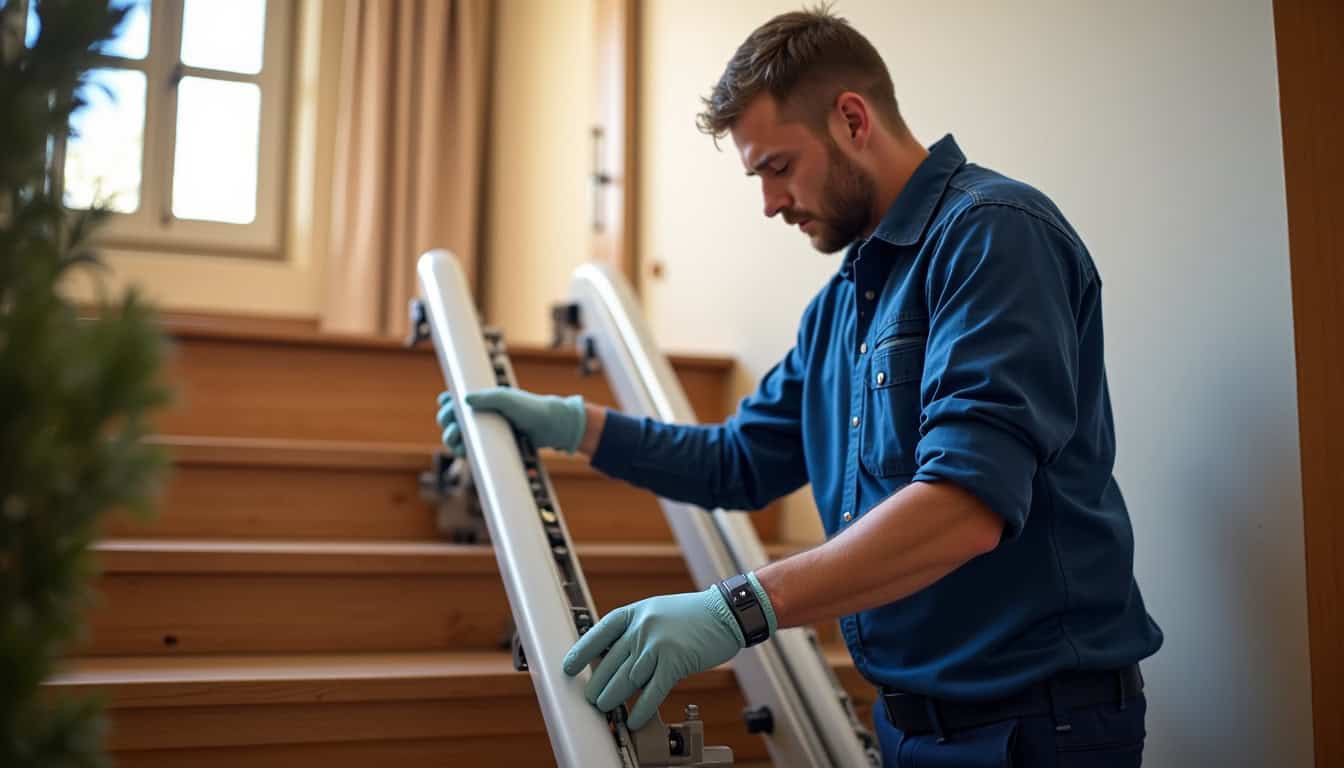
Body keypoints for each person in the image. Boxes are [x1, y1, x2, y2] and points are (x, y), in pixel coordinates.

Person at [436, 6, 1162, 765]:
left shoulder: (994, 234)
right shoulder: (839, 310)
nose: (770, 203)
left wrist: (737, 609)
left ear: (852, 119)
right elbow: (738, 462)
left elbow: (965, 509)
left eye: (778, 167)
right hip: (907, 723)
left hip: (1036, 727)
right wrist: (570, 425)